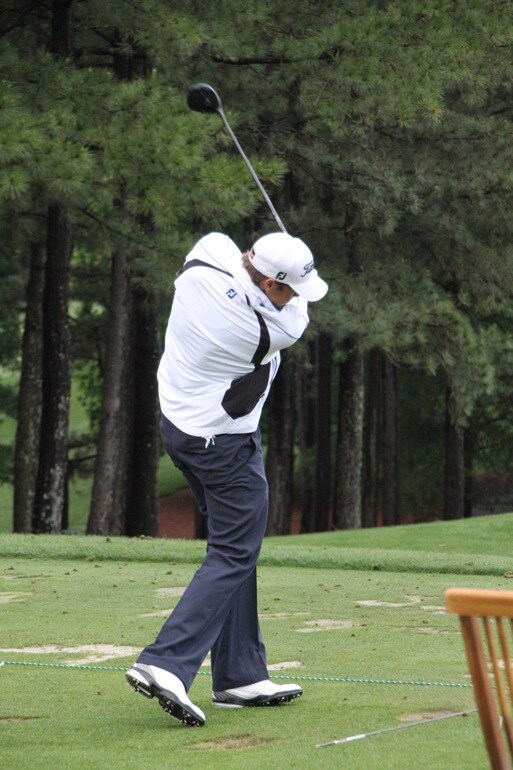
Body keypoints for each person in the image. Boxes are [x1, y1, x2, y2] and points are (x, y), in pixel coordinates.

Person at [126, 231, 328, 726]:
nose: (296, 298)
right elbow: (298, 319)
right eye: (291, 290)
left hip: (179, 425)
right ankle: (165, 662)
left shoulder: (206, 259)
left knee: (239, 544)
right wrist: (293, 277)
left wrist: (287, 258)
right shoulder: (263, 331)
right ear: (270, 284)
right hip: (223, 444)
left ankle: (240, 674)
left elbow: (221, 242)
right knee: (235, 550)